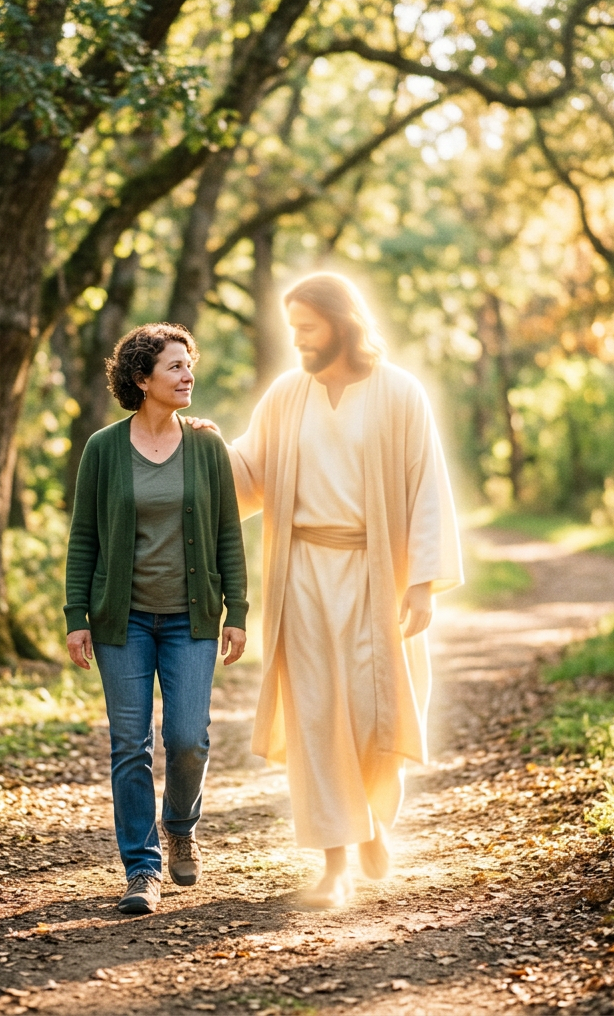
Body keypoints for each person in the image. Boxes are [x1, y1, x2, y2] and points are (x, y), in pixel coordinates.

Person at [221, 273, 462, 907]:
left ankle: (373, 818)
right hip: (301, 573)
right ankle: (334, 865)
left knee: (374, 706)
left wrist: (423, 584)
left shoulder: (399, 393)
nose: (298, 339)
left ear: (341, 323)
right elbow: (249, 471)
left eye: (308, 327)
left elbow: (427, 488)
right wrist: (205, 448)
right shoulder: (286, 394)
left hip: (376, 572)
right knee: (316, 715)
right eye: (293, 329)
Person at [64, 322, 248, 916]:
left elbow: (227, 532)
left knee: (188, 739)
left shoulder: (207, 446)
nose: (188, 375)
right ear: (142, 379)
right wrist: (75, 615)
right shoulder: (103, 449)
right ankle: (141, 869)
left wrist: (238, 609)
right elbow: (84, 537)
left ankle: (181, 827)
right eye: (175, 366)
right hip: (123, 622)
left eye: (189, 364)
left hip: (191, 620)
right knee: (130, 745)